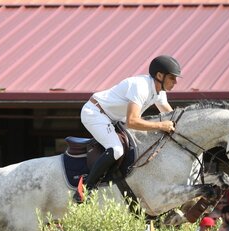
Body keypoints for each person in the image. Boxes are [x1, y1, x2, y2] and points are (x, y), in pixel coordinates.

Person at [73, 55, 179, 202]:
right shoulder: (141, 87)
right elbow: (132, 121)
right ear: (160, 76)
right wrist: (161, 125)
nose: (175, 82)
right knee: (116, 149)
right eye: (172, 78)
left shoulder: (159, 92)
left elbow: (171, 116)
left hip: (115, 118)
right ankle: (85, 188)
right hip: (95, 112)